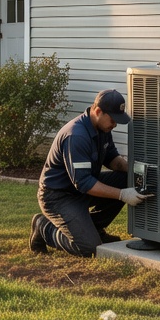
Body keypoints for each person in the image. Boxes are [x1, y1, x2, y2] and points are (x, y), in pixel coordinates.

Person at [29, 89, 151, 257]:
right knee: (89, 248)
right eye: (113, 119)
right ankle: (44, 227)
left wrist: (135, 169)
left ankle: (94, 229)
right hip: (58, 196)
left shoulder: (103, 129)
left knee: (126, 179)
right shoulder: (76, 135)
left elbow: (113, 160)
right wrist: (122, 194)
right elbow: (84, 183)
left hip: (79, 189)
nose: (115, 124)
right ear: (98, 111)